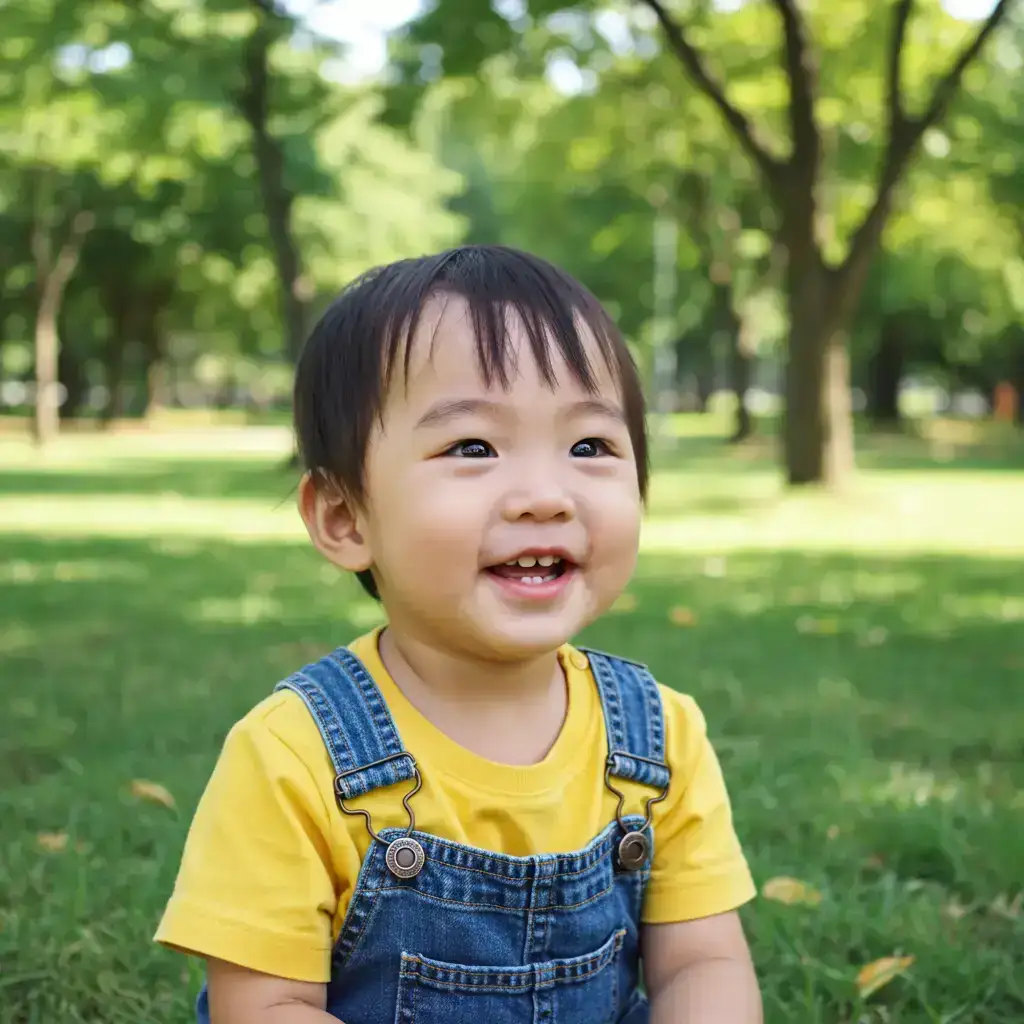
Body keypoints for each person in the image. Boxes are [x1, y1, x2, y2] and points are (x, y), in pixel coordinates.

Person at [155, 245, 761, 1023]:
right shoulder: (292, 757)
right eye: (472, 447)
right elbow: (264, 1005)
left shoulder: (659, 738)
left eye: (590, 447)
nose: (545, 496)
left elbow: (703, 961)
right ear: (345, 518)